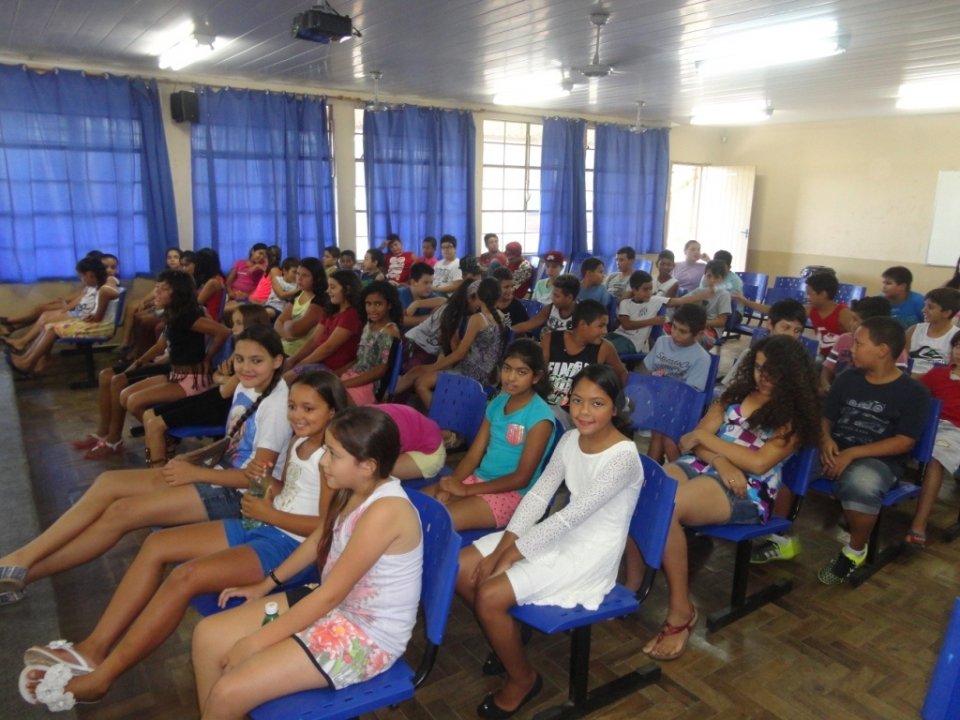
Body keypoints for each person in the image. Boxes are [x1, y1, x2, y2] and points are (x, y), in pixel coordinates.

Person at [15, 371, 349, 708]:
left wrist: (269, 514)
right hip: (265, 526)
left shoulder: (329, 459)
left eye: (309, 409)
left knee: (184, 576)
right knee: (157, 545)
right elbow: (290, 492)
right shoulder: (298, 442)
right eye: (293, 406)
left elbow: (324, 528)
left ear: (332, 412)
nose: (297, 415)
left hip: (290, 548)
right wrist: (265, 487)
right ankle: (92, 649)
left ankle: (102, 679)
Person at [0, 326, 292, 604]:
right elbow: (234, 441)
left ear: (277, 360)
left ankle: (21, 573)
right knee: (108, 483)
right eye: (240, 359)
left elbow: (258, 480)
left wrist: (195, 472)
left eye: (257, 360)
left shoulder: (277, 405)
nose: (245, 367)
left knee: (121, 513)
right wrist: (195, 457)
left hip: (240, 497)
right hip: (215, 474)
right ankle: (20, 561)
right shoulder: (246, 384)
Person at [190, 407, 423, 720]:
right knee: (207, 637)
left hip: (366, 635)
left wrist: (255, 643)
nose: (324, 461)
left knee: (229, 690)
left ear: (367, 466)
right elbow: (319, 539)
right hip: (332, 603)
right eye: (326, 449)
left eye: (334, 454)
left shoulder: (386, 512)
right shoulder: (351, 488)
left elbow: (330, 595)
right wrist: (265, 585)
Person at [456, 365, 640, 718]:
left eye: (598, 403)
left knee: (490, 594)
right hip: (556, 533)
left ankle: (523, 678)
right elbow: (540, 494)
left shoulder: (623, 457)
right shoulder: (570, 439)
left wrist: (508, 555)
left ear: (615, 408)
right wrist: (507, 542)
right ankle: (509, 633)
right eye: (578, 401)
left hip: (588, 552)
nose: (584, 412)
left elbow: (572, 516)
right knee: (462, 568)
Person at [640, 336, 821, 660]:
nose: (762, 377)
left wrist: (707, 440)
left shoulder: (794, 416)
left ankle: (681, 612)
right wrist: (720, 460)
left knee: (668, 506)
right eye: (759, 368)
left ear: (792, 375)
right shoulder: (734, 395)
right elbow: (691, 441)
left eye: (773, 372)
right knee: (646, 492)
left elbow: (758, 462)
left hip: (748, 489)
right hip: (709, 467)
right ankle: (634, 585)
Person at [816, 317, 931, 584]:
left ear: (882, 350)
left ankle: (855, 549)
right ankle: (780, 537)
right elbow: (826, 417)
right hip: (835, 449)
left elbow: (904, 441)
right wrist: (825, 439)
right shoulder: (848, 378)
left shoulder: (913, 392)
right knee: (790, 458)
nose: (852, 349)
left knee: (862, 483)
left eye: (859, 343)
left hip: (878, 460)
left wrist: (852, 454)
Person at [69, 270, 230, 458]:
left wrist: (207, 357)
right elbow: (162, 344)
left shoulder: (187, 316)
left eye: (164, 289)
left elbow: (222, 332)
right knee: (126, 395)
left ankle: (162, 439)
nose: (157, 293)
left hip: (191, 381)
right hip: (176, 375)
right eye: (157, 288)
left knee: (133, 401)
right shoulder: (175, 314)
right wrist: (138, 362)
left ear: (178, 293)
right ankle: (156, 437)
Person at [423, 338, 555, 531]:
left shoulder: (539, 417)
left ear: (536, 377)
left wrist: (466, 490)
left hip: (511, 494)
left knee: (436, 522)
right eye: (507, 368)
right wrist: (452, 484)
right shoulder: (498, 403)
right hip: (479, 480)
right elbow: (474, 455)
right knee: (412, 506)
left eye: (521, 372)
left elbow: (522, 478)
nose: (510, 377)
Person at [141, 304, 272, 467]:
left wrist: (225, 379)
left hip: (226, 407)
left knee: (155, 423)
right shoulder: (241, 347)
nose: (233, 328)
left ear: (253, 324)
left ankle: (155, 470)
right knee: (149, 415)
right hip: (215, 396)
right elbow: (215, 376)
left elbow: (226, 392)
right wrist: (226, 378)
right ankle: (159, 458)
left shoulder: (257, 353)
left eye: (238, 323)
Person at [397, 278, 505, 410]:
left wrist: (434, 367)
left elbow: (460, 353)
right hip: (486, 373)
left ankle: (443, 418)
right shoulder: (500, 316)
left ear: (480, 296)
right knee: (418, 371)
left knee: (421, 383)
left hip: (470, 372)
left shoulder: (477, 319)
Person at [6, 256, 121, 378]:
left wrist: (89, 314)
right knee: (48, 327)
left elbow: (97, 317)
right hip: (91, 321)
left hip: (99, 327)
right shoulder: (97, 287)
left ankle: (28, 363)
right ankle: (26, 359)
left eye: (82, 276)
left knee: (51, 329)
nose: (81, 280)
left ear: (89, 275)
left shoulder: (105, 289)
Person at [907, 332, 960, 545]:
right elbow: (917, 397)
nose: (959, 352)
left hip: (955, 432)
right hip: (930, 425)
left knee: (934, 458)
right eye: (957, 346)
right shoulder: (938, 374)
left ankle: (919, 524)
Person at [642, 304, 712, 463]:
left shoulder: (701, 358)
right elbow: (645, 371)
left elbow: (690, 395)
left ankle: (678, 475)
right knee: (658, 433)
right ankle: (656, 471)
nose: (675, 334)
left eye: (683, 331)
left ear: (699, 334)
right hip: (658, 401)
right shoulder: (661, 342)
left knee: (665, 438)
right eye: (674, 327)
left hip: (681, 407)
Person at [544, 299, 628, 416]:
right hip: (546, 409)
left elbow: (622, 373)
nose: (605, 331)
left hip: (581, 414)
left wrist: (612, 400)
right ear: (583, 325)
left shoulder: (605, 348)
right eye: (601, 326)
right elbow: (537, 372)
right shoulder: (550, 340)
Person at [284, 270, 362, 380]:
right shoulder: (330, 311)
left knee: (287, 378)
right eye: (328, 287)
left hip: (330, 368)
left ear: (348, 289)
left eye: (333, 287)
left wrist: (302, 364)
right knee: (282, 367)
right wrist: (293, 359)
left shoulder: (350, 316)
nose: (327, 291)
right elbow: (314, 340)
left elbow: (328, 348)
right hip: (317, 362)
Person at [338, 280, 402, 405]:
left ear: (389, 305)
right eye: (368, 304)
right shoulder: (369, 325)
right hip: (354, 375)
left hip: (370, 385)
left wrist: (344, 384)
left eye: (378, 304)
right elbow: (360, 359)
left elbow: (380, 370)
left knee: (337, 400)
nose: (372, 309)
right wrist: (337, 374)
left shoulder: (389, 330)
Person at [606, 270, 669, 356]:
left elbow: (680, 301)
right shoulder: (625, 303)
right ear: (634, 290)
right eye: (645, 289)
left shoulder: (655, 300)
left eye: (650, 289)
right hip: (617, 334)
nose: (649, 292)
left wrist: (694, 294)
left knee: (604, 349)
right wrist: (653, 321)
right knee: (595, 342)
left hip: (632, 342)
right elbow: (626, 325)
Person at [274, 258, 326, 359]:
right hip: (284, 346)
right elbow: (278, 322)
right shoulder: (298, 293)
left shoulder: (320, 299)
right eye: (298, 274)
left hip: (299, 353)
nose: (299, 278)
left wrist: (287, 325)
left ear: (317, 278)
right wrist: (287, 336)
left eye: (305, 275)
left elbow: (297, 330)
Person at [906, 287, 960, 376]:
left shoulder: (956, 336)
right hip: (910, 381)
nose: (923, 310)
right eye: (924, 305)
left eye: (930, 307)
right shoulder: (913, 330)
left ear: (947, 313)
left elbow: (954, 370)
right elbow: (901, 362)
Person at [512, 274, 580, 336]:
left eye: (557, 296)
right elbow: (529, 324)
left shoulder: (581, 315)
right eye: (553, 294)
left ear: (569, 298)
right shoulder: (550, 308)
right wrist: (508, 330)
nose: (552, 298)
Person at [399, 262, 445, 328]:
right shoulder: (400, 294)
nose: (430, 286)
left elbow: (445, 301)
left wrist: (417, 304)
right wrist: (429, 318)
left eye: (431, 282)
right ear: (414, 282)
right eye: (426, 283)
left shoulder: (432, 297)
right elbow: (401, 320)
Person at [224, 243, 268, 311]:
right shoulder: (240, 263)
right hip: (233, 295)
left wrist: (247, 295)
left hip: (249, 298)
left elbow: (261, 287)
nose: (261, 257)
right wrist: (231, 292)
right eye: (260, 253)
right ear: (252, 251)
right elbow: (229, 282)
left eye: (264, 256)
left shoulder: (262, 270)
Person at [490, 265, 531, 329]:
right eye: (506, 287)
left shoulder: (517, 306)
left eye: (512, 286)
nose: (510, 290)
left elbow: (524, 330)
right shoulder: (488, 303)